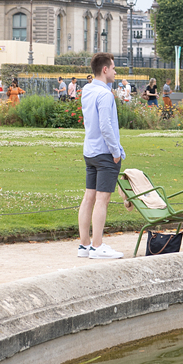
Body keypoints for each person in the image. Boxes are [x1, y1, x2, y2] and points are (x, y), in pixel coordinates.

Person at [77, 52, 125, 260]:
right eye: (113, 68)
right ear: (105, 70)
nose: (115, 72)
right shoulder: (105, 94)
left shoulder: (87, 90)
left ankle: (84, 244)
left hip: (90, 150)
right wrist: (116, 151)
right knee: (102, 199)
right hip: (105, 152)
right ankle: (97, 245)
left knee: (89, 197)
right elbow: (106, 126)